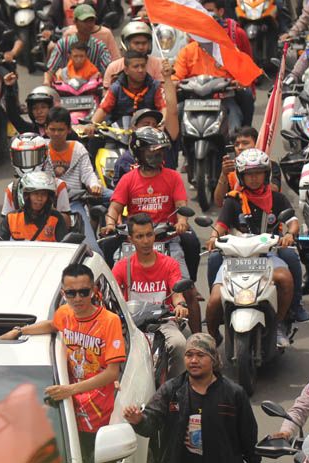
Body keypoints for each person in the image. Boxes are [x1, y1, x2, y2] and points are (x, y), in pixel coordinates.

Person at [0, 263, 125, 462]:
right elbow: (51, 325)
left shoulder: (110, 321)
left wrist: (71, 389)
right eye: (71, 293)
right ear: (64, 293)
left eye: (84, 292)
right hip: (66, 411)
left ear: (93, 291)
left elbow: (112, 373)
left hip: (97, 415)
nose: (78, 298)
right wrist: (20, 331)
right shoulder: (64, 313)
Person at [101, 127, 203, 333]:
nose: (157, 156)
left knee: (188, 292)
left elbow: (181, 204)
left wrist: (182, 221)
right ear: (139, 153)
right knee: (110, 289)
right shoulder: (128, 179)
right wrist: (111, 224)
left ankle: (199, 342)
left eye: (160, 151)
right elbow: (114, 208)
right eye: (151, 151)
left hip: (168, 241)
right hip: (134, 244)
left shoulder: (173, 177)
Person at [205, 149, 298, 347]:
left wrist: (289, 234)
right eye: (249, 174)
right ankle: (212, 336)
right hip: (236, 260)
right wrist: (214, 237)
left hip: (266, 257)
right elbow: (220, 225)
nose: (254, 178)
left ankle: (279, 323)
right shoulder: (233, 200)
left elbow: (292, 221)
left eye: (258, 173)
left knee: (285, 279)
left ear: (266, 174)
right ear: (241, 176)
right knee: (213, 301)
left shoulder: (277, 199)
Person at [122, 333, 259, 463]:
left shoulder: (234, 394)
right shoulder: (171, 391)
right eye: (189, 355)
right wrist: (139, 419)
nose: (194, 360)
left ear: (213, 359)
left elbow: (249, 437)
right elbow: (151, 422)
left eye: (200, 355)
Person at [112, 213, 188, 379]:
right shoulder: (121, 267)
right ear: (131, 239)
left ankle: (175, 387)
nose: (146, 241)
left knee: (180, 344)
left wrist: (180, 305)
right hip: (132, 325)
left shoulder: (170, 264)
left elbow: (177, 294)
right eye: (139, 236)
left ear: (154, 235)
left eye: (149, 234)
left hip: (163, 322)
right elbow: (113, 298)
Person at [44, 106, 106, 250]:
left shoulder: (78, 148)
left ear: (68, 130)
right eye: (52, 129)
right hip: (44, 206)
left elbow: (88, 173)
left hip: (74, 204)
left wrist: (93, 184)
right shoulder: (39, 147)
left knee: (93, 251)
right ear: (46, 129)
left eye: (60, 130)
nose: (56, 134)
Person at [202, 0, 255, 126]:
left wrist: (240, 82)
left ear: (220, 12)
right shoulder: (194, 40)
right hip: (200, 96)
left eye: (210, 11)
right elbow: (182, 71)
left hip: (228, 94)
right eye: (203, 12)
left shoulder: (237, 35)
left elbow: (248, 66)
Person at [1, 133, 73, 222]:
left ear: (45, 155)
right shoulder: (12, 189)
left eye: (32, 157)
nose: (27, 163)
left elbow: (66, 221)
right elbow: (5, 222)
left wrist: (52, 213)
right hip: (20, 234)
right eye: (21, 158)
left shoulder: (58, 185)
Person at [87, 51, 165, 128]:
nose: (140, 70)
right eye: (136, 66)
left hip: (149, 132)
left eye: (143, 66)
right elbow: (103, 109)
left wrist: (162, 126)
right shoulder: (116, 88)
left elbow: (164, 108)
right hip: (119, 134)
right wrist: (92, 125)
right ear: (126, 70)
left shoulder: (155, 86)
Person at [45, 5, 112, 85]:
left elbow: (108, 71)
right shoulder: (62, 44)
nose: (88, 25)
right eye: (84, 21)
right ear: (75, 22)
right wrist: (46, 82)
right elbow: (51, 69)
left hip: (92, 91)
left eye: (91, 21)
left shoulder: (100, 47)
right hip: (65, 90)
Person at [0, 171, 68, 242]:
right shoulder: (11, 218)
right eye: (36, 194)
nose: (39, 198)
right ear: (27, 196)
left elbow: (65, 248)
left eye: (44, 194)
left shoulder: (56, 218)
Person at [103, 21, 163, 89]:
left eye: (144, 43)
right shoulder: (114, 67)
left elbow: (163, 93)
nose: (141, 47)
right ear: (126, 44)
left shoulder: (158, 64)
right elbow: (106, 94)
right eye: (136, 43)